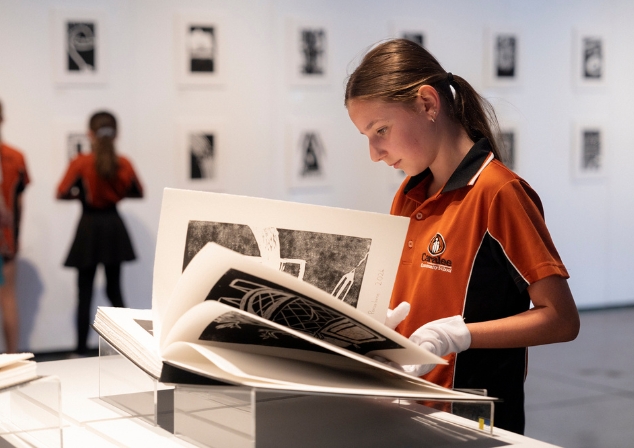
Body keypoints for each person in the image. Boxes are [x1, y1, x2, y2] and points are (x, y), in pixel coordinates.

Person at [345, 39, 580, 434]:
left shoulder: (499, 193)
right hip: (408, 409)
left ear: (427, 104)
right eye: (367, 136)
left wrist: (459, 336)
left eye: (380, 130)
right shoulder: (407, 195)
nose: (375, 153)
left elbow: (562, 319)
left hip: (474, 421)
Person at [57, 111, 143, 355]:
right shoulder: (124, 163)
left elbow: (61, 191)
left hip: (89, 226)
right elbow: (138, 191)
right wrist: (115, 195)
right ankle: (132, 347)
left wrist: (82, 196)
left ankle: (80, 348)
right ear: (117, 134)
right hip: (113, 226)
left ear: (90, 134)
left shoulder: (81, 163)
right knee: (114, 289)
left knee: (84, 291)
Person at [0, 100, 29, 353]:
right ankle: (11, 361)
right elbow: (20, 204)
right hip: (5, 238)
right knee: (7, 297)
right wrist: (15, 237)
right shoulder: (15, 157)